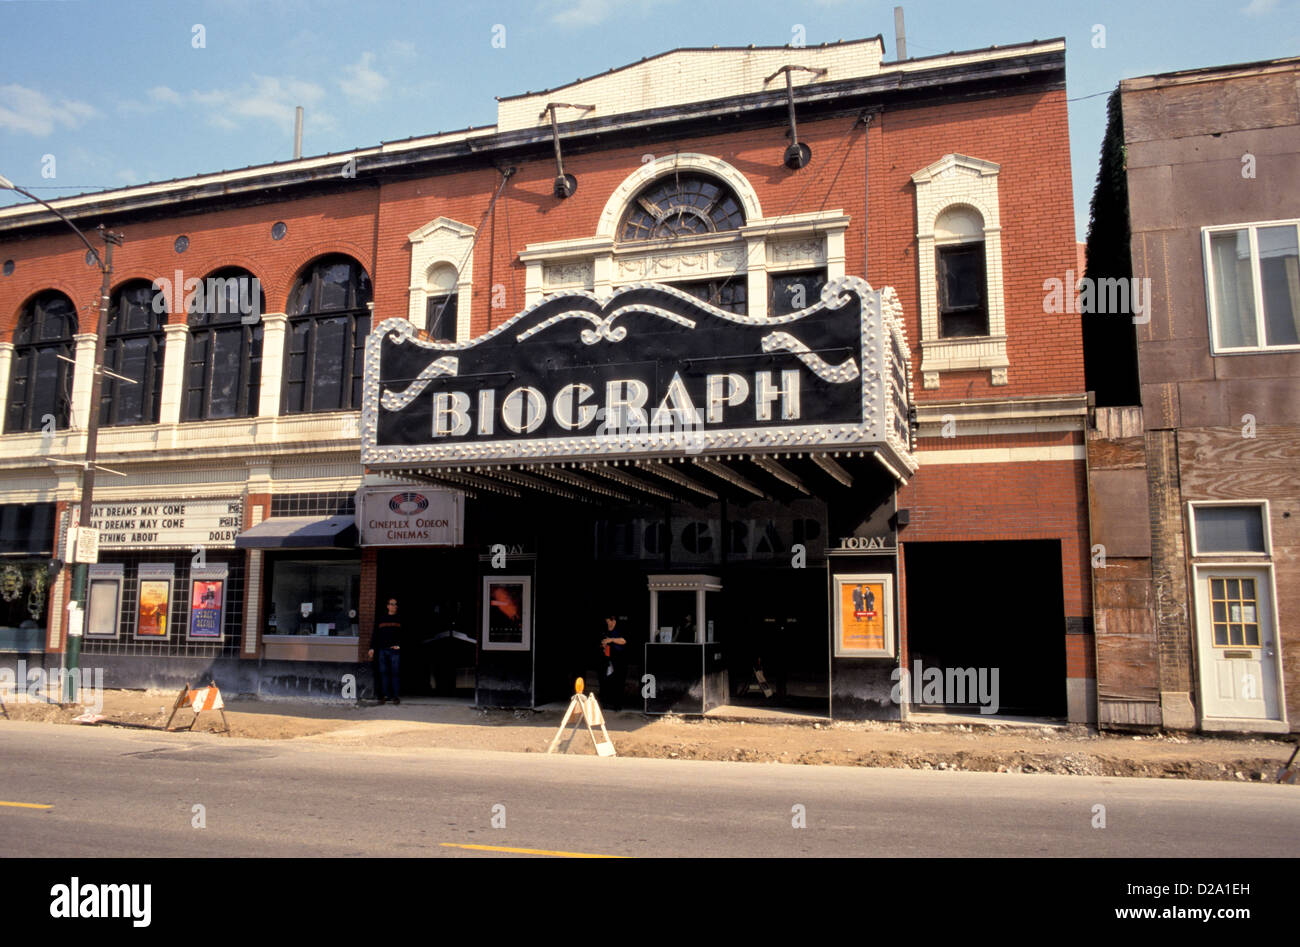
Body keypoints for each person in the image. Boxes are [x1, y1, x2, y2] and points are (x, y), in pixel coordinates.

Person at [368, 597, 402, 704]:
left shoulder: (400, 619)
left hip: (394, 651)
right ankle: (384, 696)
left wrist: (399, 646)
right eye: (392, 604)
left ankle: (395, 696)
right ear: (387, 606)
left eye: (395, 604)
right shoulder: (381, 619)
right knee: (383, 673)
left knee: (395, 673)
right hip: (382, 650)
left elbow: (404, 635)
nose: (394, 606)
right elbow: (375, 634)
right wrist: (372, 648)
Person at [599, 614, 628, 711]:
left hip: (619, 660)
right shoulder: (605, 630)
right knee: (607, 681)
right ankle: (607, 702)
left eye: (609, 622)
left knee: (619, 682)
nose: (608, 624)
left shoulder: (620, 629)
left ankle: (617, 705)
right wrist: (603, 644)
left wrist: (611, 640)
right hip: (608, 659)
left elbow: (623, 641)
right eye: (607, 622)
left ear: (614, 621)